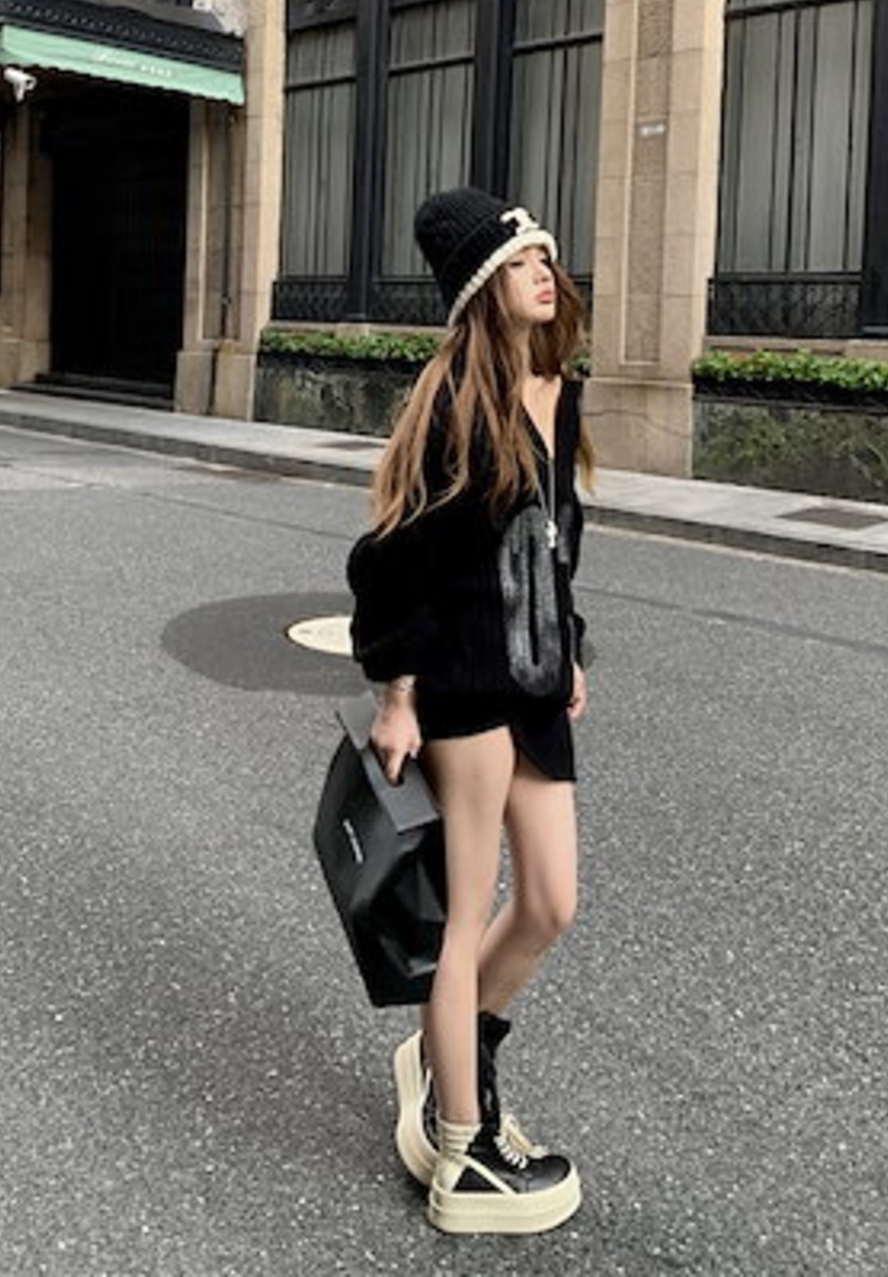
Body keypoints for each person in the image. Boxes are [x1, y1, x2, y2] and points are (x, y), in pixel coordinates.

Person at [346, 185, 593, 1236]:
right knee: (459, 924)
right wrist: (397, 693)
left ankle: (455, 1055)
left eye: (546, 258)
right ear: (484, 288)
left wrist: (568, 641)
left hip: (532, 684)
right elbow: (386, 562)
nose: (546, 273)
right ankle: (464, 1151)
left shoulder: (557, 389)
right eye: (523, 262)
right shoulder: (455, 404)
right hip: (460, 686)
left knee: (550, 903)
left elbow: (555, 534)